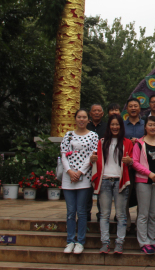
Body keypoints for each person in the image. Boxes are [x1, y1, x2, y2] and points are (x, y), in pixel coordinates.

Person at [92, 114, 133, 254]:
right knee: (104, 214)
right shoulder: (102, 142)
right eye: (112, 124)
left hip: (120, 181)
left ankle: (119, 243)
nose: (115, 127)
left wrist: (130, 161)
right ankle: (105, 242)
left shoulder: (127, 143)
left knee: (121, 215)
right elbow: (96, 160)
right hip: (104, 180)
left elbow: (132, 161)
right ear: (109, 126)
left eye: (117, 124)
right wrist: (92, 159)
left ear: (121, 126)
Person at [60, 108, 99, 254]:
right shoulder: (68, 135)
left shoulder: (93, 135)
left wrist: (80, 172)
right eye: (79, 117)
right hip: (68, 177)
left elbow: (91, 155)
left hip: (84, 177)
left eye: (84, 117)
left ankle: (80, 241)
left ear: (88, 120)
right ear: (75, 119)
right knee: (71, 211)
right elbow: (64, 155)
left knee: (82, 211)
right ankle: (70, 240)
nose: (81, 120)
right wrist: (70, 171)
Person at [131, 116, 155, 255]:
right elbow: (134, 162)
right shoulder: (139, 143)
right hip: (143, 181)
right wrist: (149, 173)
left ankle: (152, 240)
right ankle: (143, 242)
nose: (153, 127)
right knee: (143, 213)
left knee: (154, 214)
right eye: (150, 125)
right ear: (145, 127)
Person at [124, 98, 146, 231]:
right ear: (127, 109)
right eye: (130, 106)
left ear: (139, 108)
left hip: (142, 164)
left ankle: (140, 223)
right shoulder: (122, 125)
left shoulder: (145, 124)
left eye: (135, 106)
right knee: (125, 193)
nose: (133, 108)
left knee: (141, 194)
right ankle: (125, 222)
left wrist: (138, 141)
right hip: (125, 164)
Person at [87, 103, 107, 221]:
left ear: (102, 113)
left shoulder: (106, 127)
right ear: (90, 113)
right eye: (94, 111)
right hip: (87, 163)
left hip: (102, 163)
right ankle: (86, 214)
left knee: (101, 189)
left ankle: (101, 215)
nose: (96, 113)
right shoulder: (86, 126)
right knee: (87, 189)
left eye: (99, 111)